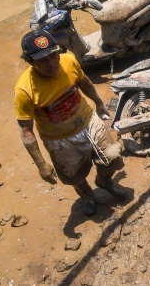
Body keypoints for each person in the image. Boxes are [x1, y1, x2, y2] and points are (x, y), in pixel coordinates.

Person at [14, 30, 127, 216]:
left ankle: (104, 181)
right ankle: (87, 196)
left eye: (53, 55)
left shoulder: (68, 60)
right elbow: (26, 131)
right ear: (30, 61)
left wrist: (99, 103)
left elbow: (84, 83)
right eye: (43, 60)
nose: (51, 63)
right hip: (59, 139)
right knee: (74, 175)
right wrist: (41, 164)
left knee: (113, 156)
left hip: (88, 121)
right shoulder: (24, 90)